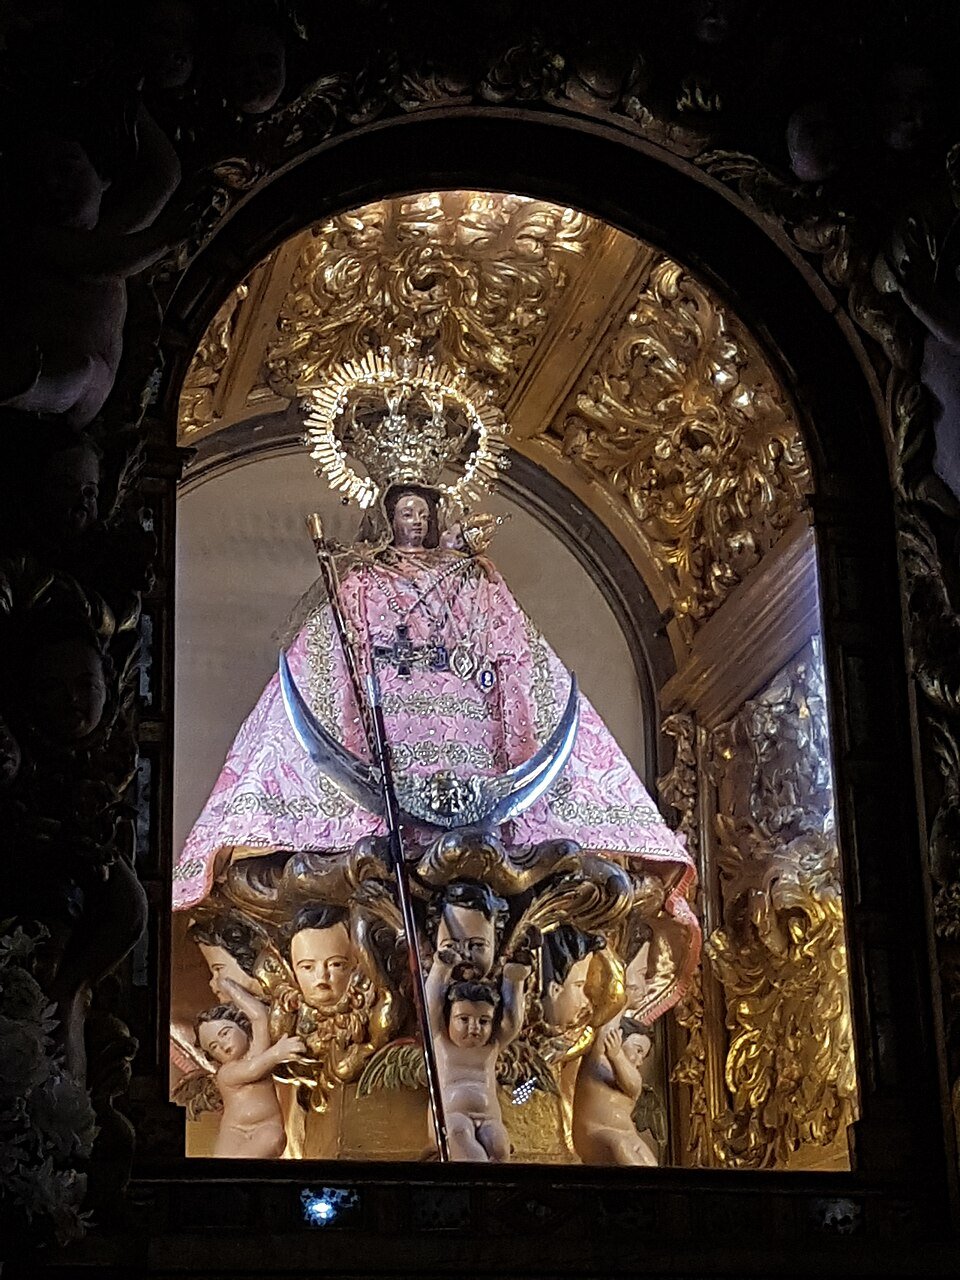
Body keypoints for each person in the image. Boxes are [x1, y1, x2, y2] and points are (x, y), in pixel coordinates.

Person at [173, 477, 699, 1019]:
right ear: (388, 516)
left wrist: (514, 730)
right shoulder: (359, 582)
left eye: (422, 511)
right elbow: (330, 658)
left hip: (472, 737)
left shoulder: (474, 577)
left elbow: (514, 659)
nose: (414, 521)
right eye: (404, 511)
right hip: (386, 735)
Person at [426, 945, 530, 1162]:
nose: (474, 1027)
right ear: (449, 1018)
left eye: (484, 1021)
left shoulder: (491, 1047)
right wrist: (441, 968)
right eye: (464, 1019)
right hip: (452, 1117)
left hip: (489, 1118)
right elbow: (431, 1006)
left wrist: (515, 981)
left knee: (500, 1147)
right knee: (460, 1136)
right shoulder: (441, 1041)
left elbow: (512, 1021)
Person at [196, 976, 304, 1158]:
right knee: (223, 1167)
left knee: (273, 1139)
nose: (222, 1045)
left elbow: (259, 1015)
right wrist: (277, 1053)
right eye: (213, 1046)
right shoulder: (226, 1073)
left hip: (267, 1126)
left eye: (225, 1033)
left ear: (241, 1026)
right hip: (235, 1130)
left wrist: (230, 987)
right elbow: (253, 1070)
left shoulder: (257, 1050)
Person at [572, 1014, 658, 1166]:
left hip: (628, 1134)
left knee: (651, 1163)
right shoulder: (598, 1064)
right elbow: (606, 1031)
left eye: (643, 1057)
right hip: (595, 1133)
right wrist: (624, 1001)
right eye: (638, 1051)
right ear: (618, 1038)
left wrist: (617, 1055)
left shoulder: (632, 1076)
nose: (639, 1061)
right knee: (620, 1148)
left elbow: (633, 1086)